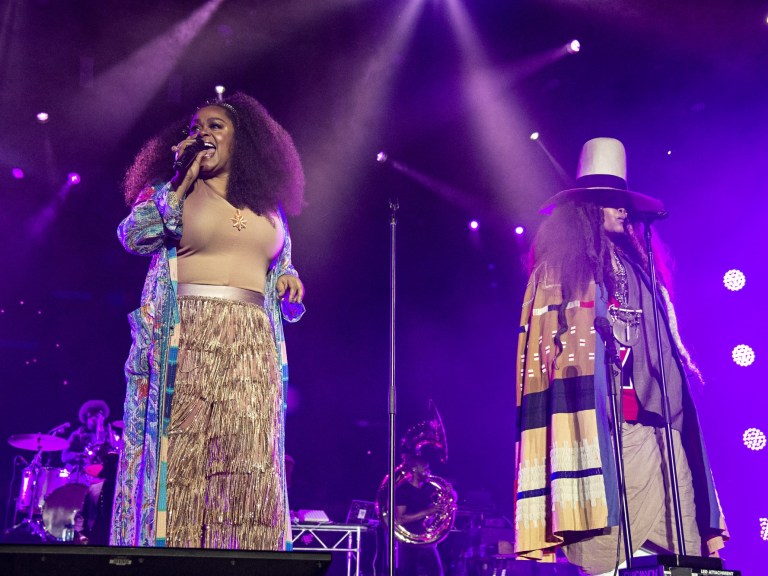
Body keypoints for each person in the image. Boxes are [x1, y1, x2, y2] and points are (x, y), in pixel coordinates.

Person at [513, 138, 728, 575]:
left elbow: (661, 347)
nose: (623, 211)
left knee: (686, 542)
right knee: (605, 549)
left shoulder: (641, 269)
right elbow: (549, 355)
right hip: (603, 437)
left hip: (656, 433)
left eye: (623, 202)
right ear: (589, 207)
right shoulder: (558, 272)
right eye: (612, 203)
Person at [110, 91, 306, 551]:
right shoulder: (171, 191)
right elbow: (133, 237)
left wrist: (289, 281)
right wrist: (180, 181)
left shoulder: (268, 206)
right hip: (187, 336)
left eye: (216, 125)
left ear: (244, 140)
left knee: (246, 461)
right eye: (197, 126)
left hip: (251, 343)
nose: (203, 132)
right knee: (183, 463)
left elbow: (280, 267)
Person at [395, 454, 444, 576]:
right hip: (409, 541)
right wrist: (428, 512)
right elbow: (400, 519)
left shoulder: (428, 489)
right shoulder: (403, 490)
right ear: (415, 469)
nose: (429, 471)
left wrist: (450, 492)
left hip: (426, 540)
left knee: (437, 573)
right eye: (426, 468)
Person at [61, 399, 118, 484]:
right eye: (93, 416)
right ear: (87, 418)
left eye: (100, 416)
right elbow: (64, 457)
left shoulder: (110, 434)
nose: (97, 419)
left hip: (105, 475)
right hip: (82, 476)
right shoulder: (77, 434)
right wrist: (82, 455)